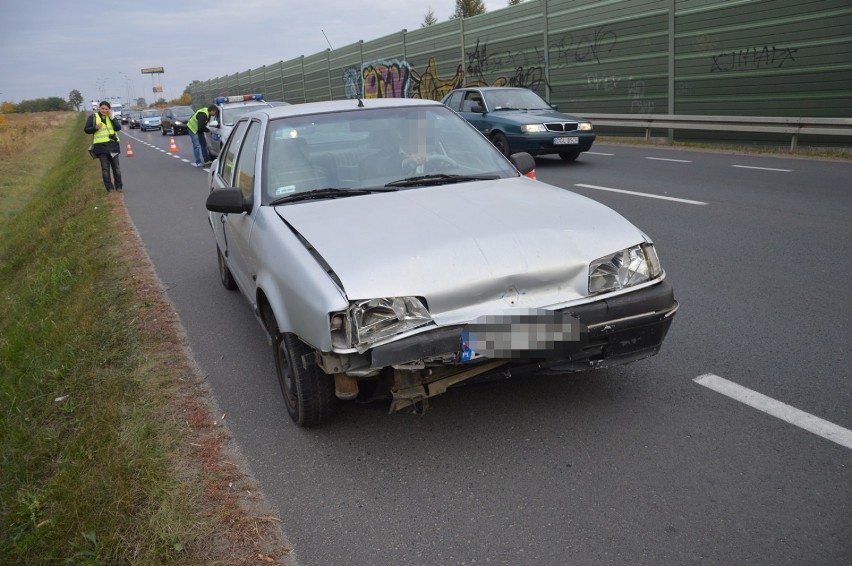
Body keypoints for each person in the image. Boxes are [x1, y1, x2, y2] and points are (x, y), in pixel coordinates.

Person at [84, 101, 123, 192]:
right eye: (102, 108)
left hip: (113, 146)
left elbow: (118, 128)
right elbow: (86, 130)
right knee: (105, 169)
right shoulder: (93, 117)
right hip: (101, 148)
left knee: (116, 168)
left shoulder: (112, 117)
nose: (104, 110)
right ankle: (109, 188)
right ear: (99, 108)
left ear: (109, 109)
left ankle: (119, 186)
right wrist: (95, 128)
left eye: (106, 109)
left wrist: (112, 117)